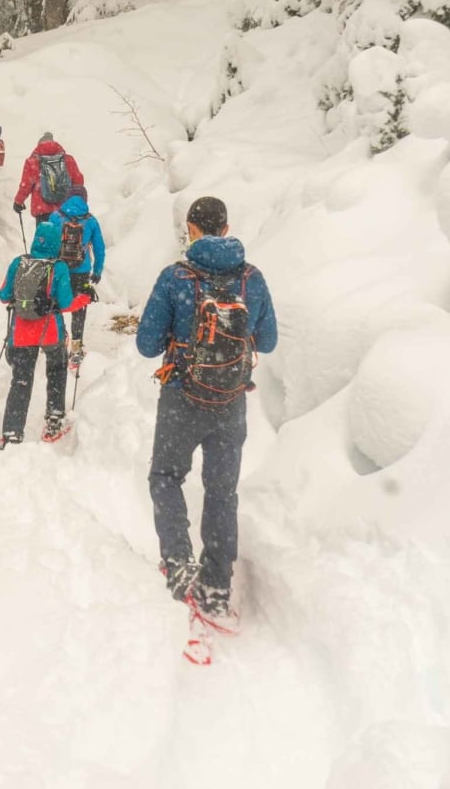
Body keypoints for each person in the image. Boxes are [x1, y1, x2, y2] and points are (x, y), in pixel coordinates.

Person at [135, 196, 277, 626]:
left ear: (192, 230)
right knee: (221, 491)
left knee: (165, 476)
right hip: (231, 402)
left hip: (182, 396)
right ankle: (216, 585)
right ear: (226, 227)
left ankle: (178, 564)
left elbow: (146, 344)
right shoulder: (252, 278)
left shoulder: (176, 277)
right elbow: (267, 341)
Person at [0, 221, 89, 448]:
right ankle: (53, 423)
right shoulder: (58, 268)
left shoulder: (19, 263)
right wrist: (85, 297)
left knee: (21, 380)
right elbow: (66, 303)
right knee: (57, 371)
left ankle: (11, 432)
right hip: (50, 331)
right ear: (57, 242)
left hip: (21, 333)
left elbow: (3, 295)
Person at [44, 184, 104, 364]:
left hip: (59, 269)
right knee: (79, 307)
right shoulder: (90, 220)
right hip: (82, 271)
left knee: (56, 304)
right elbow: (100, 249)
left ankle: (60, 339)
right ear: (84, 199)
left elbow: (47, 243)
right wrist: (97, 271)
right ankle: (76, 348)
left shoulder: (56, 217)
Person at [13, 132, 84, 222]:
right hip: (64, 210)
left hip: (42, 211)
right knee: (62, 235)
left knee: (44, 235)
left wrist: (18, 202)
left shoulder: (33, 162)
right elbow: (78, 182)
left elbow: (26, 185)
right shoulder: (68, 160)